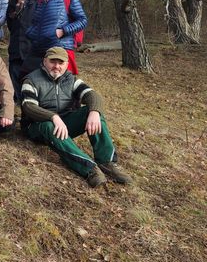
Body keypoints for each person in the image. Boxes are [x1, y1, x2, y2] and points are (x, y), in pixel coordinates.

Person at [21, 47, 132, 188]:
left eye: (61, 63)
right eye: (53, 61)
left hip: (64, 124)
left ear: (67, 64)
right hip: (38, 127)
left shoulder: (71, 79)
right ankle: (90, 169)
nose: (57, 66)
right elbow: (29, 107)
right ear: (44, 61)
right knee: (49, 125)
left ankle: (107, 162)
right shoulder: (31, 80)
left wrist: (94, 111)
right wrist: (53, 117)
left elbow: (92, 95)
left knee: (93, 111)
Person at [24, 0, 87, 76]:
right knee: (34, 80)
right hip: (40, 48)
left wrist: (63, 31)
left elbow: (82, 20)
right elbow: (35, 22)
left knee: (61, 85)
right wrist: (30, 33)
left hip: (61, 48)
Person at [6, 0, 39, 103]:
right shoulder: (12, 2)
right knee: (15, 79)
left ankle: (32, 106)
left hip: (33, 48)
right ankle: (17, 107)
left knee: (33, 80)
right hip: (15, 48)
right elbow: (10, 24)